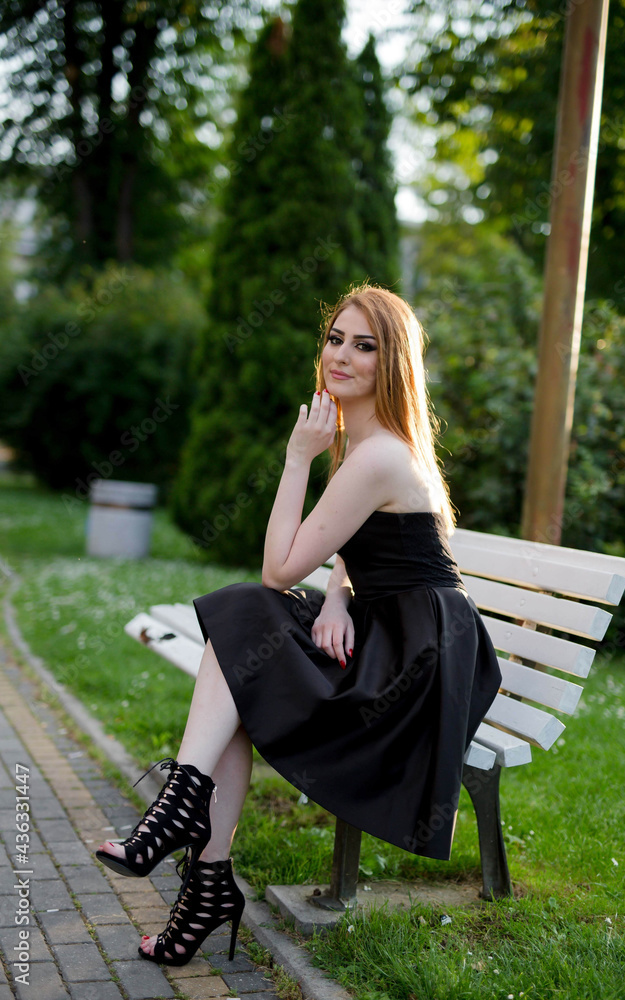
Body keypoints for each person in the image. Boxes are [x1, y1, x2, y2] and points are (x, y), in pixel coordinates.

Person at [96, 281, 503, 967]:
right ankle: (204, 876)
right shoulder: (379, 443)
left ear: (393, 362)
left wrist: (295, 458)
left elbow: (278, 571)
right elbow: (386, 551)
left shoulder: (373, 455)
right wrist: (340, 596)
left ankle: (183, 820)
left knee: (246, 611)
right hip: (398, 636)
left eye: (363, 346)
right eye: (335, 338)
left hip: (414, 671)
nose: (340, 355)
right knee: (238, 653)